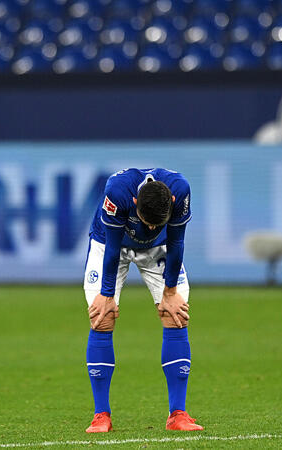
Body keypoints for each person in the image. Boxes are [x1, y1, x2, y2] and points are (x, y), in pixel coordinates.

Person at [82, 168, 204, 433]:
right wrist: (106, 295)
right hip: (110, 243)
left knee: (175, 314)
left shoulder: (180, 190)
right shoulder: (118, 191)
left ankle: (178, 415)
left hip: (157, 248)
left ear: (171, 202)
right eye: (146, 220)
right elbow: (113, 249)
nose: (150, 226)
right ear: (135, 203)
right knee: (102, 318)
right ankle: (101, 415)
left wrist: (169, 292)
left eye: (155, 222)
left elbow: (177, 241)